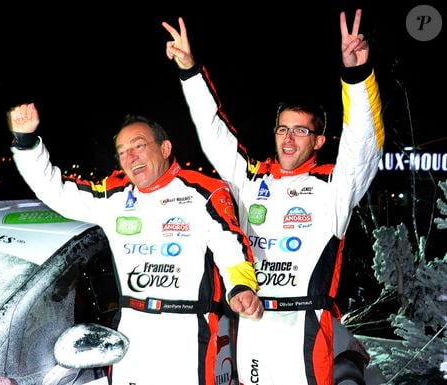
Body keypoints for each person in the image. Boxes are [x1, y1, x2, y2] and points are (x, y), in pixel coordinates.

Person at [162, 8, 384, 385]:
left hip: (305, 326)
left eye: (300, 131)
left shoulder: (334, 186)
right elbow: (214, 133)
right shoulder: (250, 178)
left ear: (318, 141)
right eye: (283, 129)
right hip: (253, 323)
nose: (288, 138)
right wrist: (189, 72)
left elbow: (363, 144)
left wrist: (356, 75)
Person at [7, 106, 264, 385]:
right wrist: (26, 143)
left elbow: (230, 245)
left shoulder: (204, 191)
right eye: (122, 151)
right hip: (132, 330)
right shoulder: (114, 197)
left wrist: (241, 286)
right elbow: (54, 189)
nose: (131, 157)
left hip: (186, 331)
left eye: (139, 146)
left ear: (165, 148)